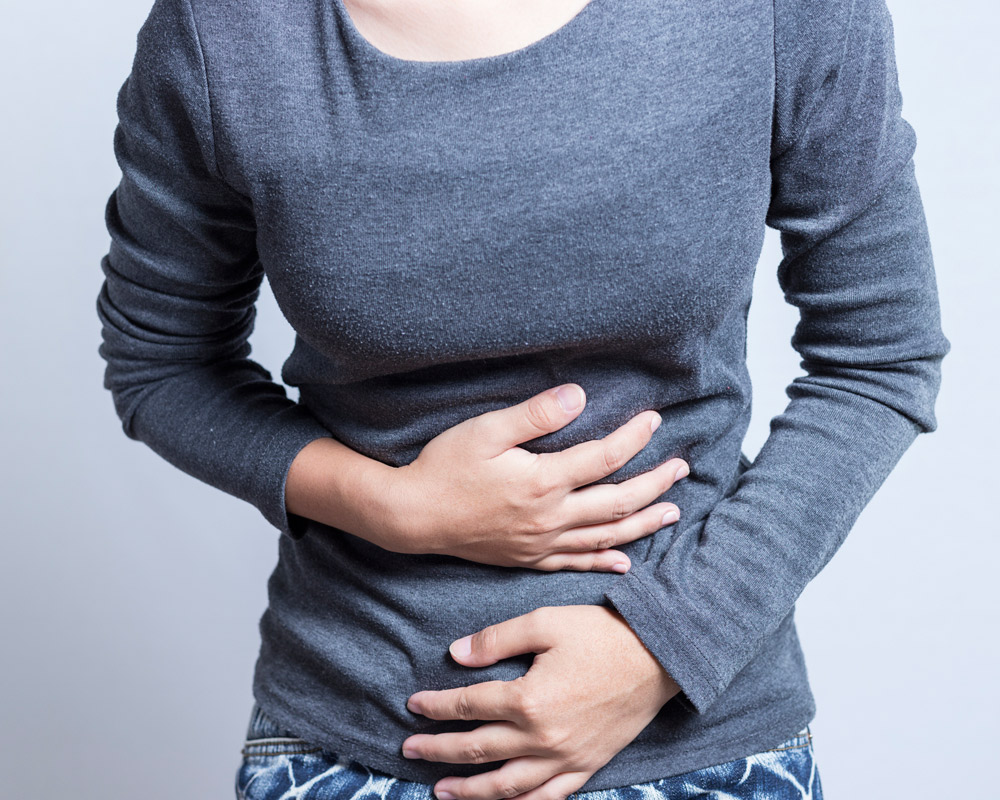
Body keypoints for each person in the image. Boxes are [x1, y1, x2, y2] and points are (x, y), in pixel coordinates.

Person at [95, 0, 949, 798]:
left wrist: (662, 644)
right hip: (346, 743)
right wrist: (392, 506)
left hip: (703, 743)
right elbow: (160, 363)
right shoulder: (223, 33)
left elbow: (880, 359)